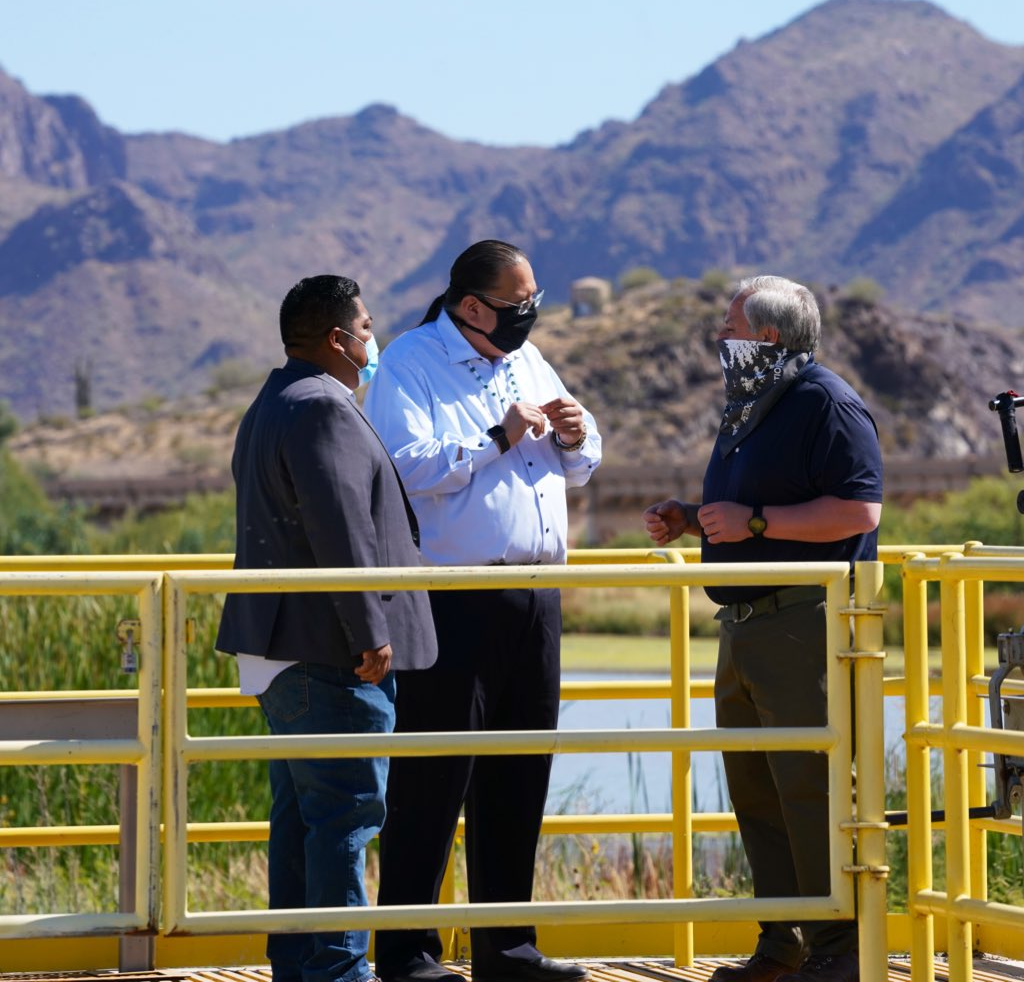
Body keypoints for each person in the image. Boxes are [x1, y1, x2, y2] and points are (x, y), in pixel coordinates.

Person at [363, 240, 601, 982]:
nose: (531, 314)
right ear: (472, 305)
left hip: (536, 597)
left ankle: (509, 950)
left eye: (535, 301)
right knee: (433, 781)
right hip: (452, 597)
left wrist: (572, 432)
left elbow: (587, 460)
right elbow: (405, 466)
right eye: (518, 303)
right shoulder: (410, 362)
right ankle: (408, 953)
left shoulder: (529, 362)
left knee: (518, 775)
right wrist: (499, 436)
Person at [643, 276, 882, 982]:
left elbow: (859, 514)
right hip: (745, 624)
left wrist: (754, 524)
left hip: (801, 621)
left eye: (730, 322)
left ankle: (837, 954)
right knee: (757, 792)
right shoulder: (750, 406)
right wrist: (692, 516)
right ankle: (783, 948)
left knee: (809, 789)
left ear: (768, 335)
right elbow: (754, 506)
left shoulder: (826, 403)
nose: (720, 334)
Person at [216, 274, 438, 982]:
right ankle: (339, 971)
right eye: (367, 329)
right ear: (340, 339)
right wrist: (368, 630)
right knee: (345, 818)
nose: (374, 340)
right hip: (329, 651)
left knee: (302, 819)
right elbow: (337, 525)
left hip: (284, 647)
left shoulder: (272, 401)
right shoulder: (322, 408)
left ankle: (302, 962)